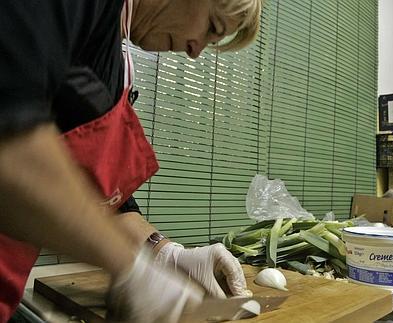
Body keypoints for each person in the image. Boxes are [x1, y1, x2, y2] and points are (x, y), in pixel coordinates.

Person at [0, 0, 261, 321]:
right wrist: (129, 267)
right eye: (212, 28)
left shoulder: (110, 52)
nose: (197, 51)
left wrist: (165, 254)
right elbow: (11, 141)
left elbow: (103, 201)